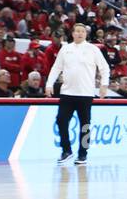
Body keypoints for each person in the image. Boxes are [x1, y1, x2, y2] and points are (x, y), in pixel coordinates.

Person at [44, 23, 110, 165]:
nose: (80, 33)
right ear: (72, 33)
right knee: (61, 120)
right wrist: (49, 84)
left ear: (86, 34)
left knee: (85, 125)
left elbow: (104, 68)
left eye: (83, 31)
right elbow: (56, 68)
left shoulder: (93, 49)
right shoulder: (65, 49)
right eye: (77, 31)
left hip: (86, 94)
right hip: (67, 93)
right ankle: (66, 150)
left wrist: (104, 85)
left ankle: (83, 154)